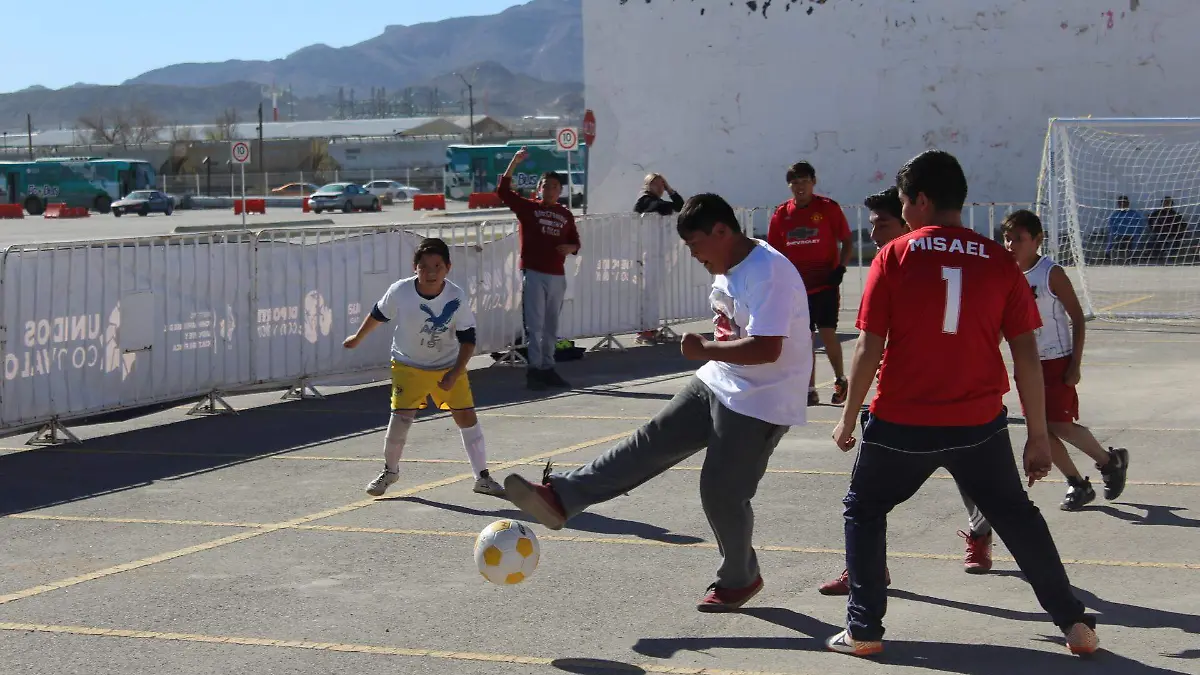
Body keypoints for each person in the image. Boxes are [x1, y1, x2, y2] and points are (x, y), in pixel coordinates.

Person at [826, 151, 1099, 658]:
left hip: (902, 420)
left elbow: (869, 345)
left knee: (864, 511)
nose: (902, 213)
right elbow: (1027, 357)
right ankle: (1074, 623)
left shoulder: (896, 255)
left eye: (904, 203)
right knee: (1017, 516)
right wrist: (1038, 435)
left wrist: (847, 416)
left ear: (922, 200)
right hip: (978, 423)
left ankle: (864, 629)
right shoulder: (1000, 260)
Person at [503, 193, 812, 612]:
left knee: (721, 491)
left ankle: (741, 578)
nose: (694, 255)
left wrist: (705, 347)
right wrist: (711, 353)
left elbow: (767, 348)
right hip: (720, 380)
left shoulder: (768, 271)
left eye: (696, 245)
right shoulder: (727, 262)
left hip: (762, 400)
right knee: (651, 440)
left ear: (722, 231)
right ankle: (563, 497)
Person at [817, 187, 994, 597]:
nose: (874, 231)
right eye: (873, 223)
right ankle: (865, 568)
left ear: (908, 220)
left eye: (883, 223)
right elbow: (870, 340)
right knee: (864, 496)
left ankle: (981, 534)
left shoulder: (926, 262)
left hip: (952, 400)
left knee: (973, 481)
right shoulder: (890, 262)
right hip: (898, 404)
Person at [343, 237, 505, 499]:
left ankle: (482, 477)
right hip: (408, 364)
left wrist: (454, 373)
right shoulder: (400, 291)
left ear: (448, 268)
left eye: (437, 266)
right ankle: (390, 471)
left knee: (466, 417)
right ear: (414, 267)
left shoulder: (455, 296)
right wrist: (357, 338)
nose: (431, 272)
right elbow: (378, 314)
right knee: (400, 418)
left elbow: (468, 339)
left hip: (447, 364)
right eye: (425, 266)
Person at [1002, 209, 1130, 511]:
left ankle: (1109, 462)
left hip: (1056, 361)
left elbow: (1078, 318)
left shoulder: (1051, 273)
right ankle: (1077, 483)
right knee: (1039, 429)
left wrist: (1075, 364)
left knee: (1059, 424)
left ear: (1037, 240)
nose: (1010, 246)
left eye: (1017, 239)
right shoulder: (1006, 277)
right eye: (1006, 239)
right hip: (1027, 364)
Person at [765, 161, 853, 407]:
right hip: (796, 288)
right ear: (789, 186)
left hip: (825, 285)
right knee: (804, 338)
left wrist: (841, 268)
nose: (800, 186)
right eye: (795, 182)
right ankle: (809, 389)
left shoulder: (827, 208)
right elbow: (774, 254)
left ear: (813, 182)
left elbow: (847, 240)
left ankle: (840, 379)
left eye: (804, 181)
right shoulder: (781, 214)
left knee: (827, 333)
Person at [497, 146, 582, 391]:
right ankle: (534, 369)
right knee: (534, 325)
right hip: (534, 272)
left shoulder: (565, 214)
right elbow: (503, 191)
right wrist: (514, 162)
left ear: (560, 191)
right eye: (546, 186)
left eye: (555, 186)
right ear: (539, 189)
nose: (551, 190)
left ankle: (548, 366)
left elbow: (576, 241)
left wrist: (570, 247)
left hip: (557, 275)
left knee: (551, 325)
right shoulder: (529, 208)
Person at [634, 173, 687, 344]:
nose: (659, 188)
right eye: (655, 184)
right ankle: (644, 330)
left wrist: (670, 190)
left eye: (661, 185)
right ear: (647, 185)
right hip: (645, 254)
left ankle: (651, 328)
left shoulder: (658, 198)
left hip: (657, 253)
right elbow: (659, 207)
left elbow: (681, 206)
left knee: (654, 292)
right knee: (647, 292)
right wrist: (667, 205)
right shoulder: (644, 199)